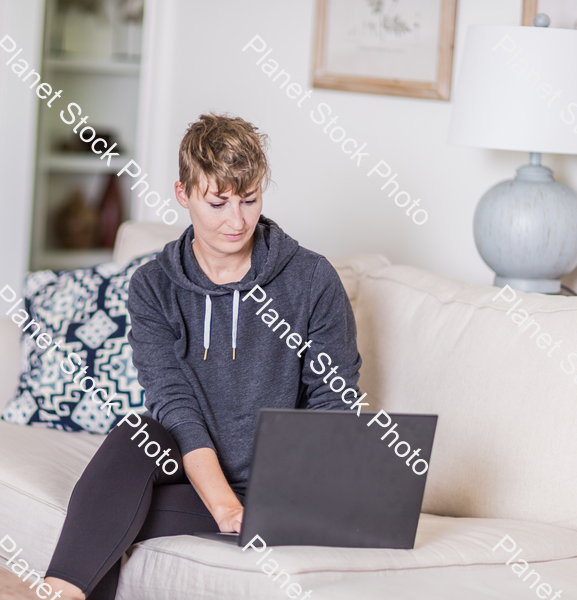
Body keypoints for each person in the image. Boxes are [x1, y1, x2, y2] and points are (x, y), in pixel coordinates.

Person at [42, 113, 362, 600]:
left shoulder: (312, 281)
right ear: (183, 193)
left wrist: (286, 504)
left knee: (104, 520)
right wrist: (223, 505)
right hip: (192, 480)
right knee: (137, 435)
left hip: (275, 494)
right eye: (218, 202)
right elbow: (175, 405)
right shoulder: (153, 286)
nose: (237, 221)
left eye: (249, 199)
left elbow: (334, 404)